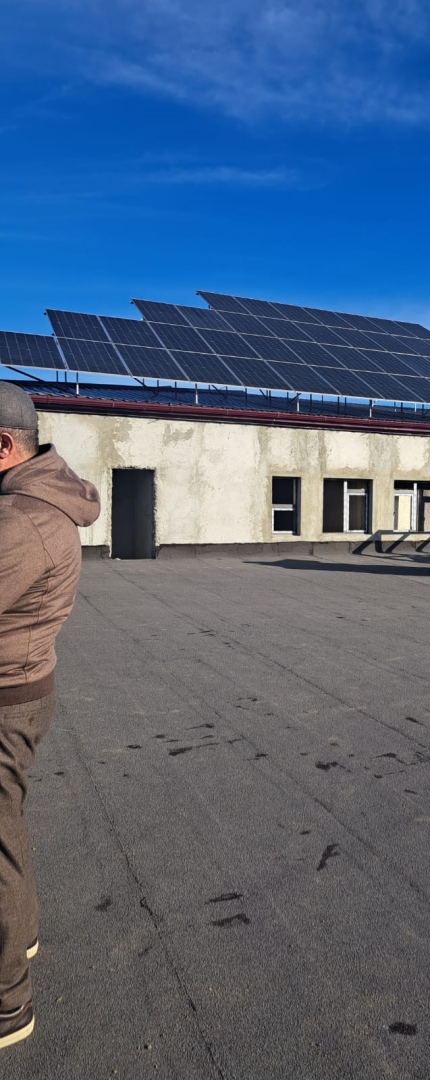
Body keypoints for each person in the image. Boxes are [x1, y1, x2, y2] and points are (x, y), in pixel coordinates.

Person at [0, 382, 100, 1049]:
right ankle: (22, 936)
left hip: (6, 698)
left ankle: (6, 1003)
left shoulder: (22, 520)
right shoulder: (30, 504)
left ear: (3, 445)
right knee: (6, 830)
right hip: (23, 687)